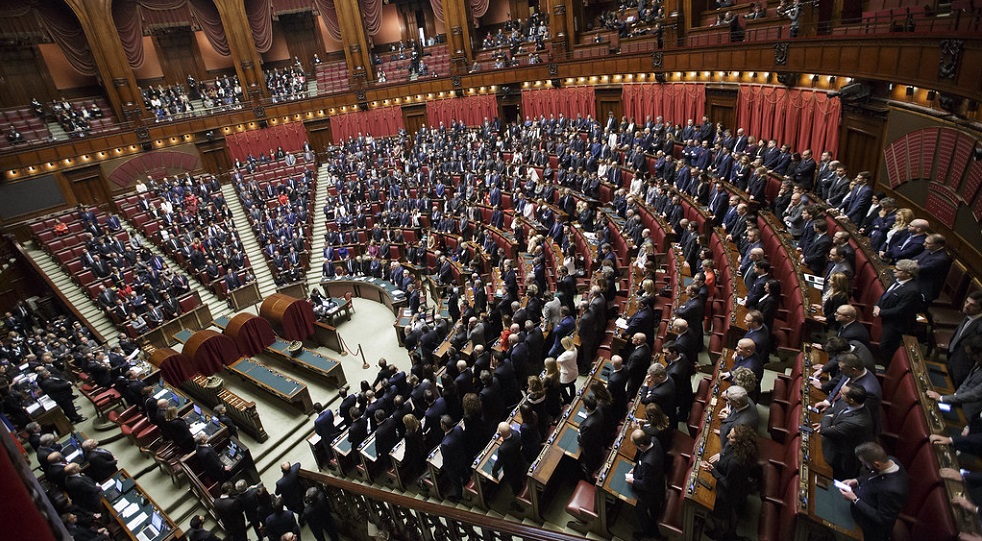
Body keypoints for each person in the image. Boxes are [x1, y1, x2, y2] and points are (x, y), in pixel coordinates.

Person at [838, 442, 909, 541]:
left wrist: (855, 499)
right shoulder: (891, 461)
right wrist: (856, 481)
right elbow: (874, 475)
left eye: (865, 464)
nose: (863, 466)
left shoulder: (892, 490)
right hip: (856, 507)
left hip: (865, 526)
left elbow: (883, 519)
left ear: (877, 464)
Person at [700, 425, 758, 541]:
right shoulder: (742, 450)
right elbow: (724, 457)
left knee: (716, 512)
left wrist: (713, 471)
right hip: (739, 486)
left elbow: (727, 484)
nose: (727, 437)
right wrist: (713, 465)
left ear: (739, 442)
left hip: (728, 494)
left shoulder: (735, 463)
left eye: (731, 437)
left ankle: (720, 532)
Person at [817, 385, 874, 480]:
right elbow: (830, 410)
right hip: (832, 440)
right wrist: (829, 418)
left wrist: (827, 418)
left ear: (851, 400)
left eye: (842, 393)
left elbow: (825, 430)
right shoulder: (847, 402)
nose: (839, 393)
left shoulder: (858, 422)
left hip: (839, 458)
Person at [873, 259, 922, 362]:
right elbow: (885, 295)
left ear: (908, 274)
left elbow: (901, 310)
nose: (894, 271)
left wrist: (880, 312)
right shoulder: (897, 280)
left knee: (885, 346)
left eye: (898, 270)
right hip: (887, 317)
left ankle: (889, 366)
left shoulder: (912, 291)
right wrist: (877, 305)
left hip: (896, 324)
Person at [625, 429, 665, 541]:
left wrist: (632, 481)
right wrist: (635, 469)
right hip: (657, 480)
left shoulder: (649, 462)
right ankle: (655, 531)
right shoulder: (654, 440)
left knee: (639, 510)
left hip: (651, 492)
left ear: (641, 445)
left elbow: (646, 485)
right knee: (655, 511)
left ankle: (647, 533)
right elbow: (641, 459)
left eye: (635, 445)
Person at [492, 422, 529, 504]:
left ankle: (519, 502)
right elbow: (510, 431)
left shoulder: (503, 449)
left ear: (500, 433)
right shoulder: (516, 434)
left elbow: (499, 462)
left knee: (516, 487)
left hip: (512, 470)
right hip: (520, 461)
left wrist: (494, 471)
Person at [577, 394, 605, 480]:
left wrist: (579, 434)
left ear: (587, 407)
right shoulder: (599, 410)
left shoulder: (587, 426)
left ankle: (589, 478)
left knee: (589, 466)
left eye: (583, 404)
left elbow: (583, 441)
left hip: (591, 450)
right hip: (599, 440)